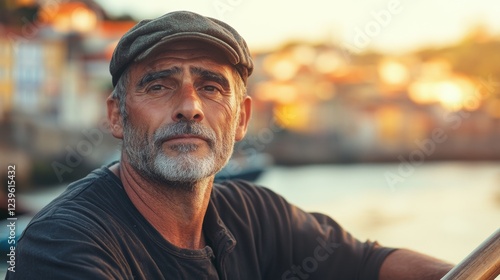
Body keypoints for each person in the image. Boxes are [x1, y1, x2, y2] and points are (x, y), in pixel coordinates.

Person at [8, 11, 454, 279]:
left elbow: (368, 266)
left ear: (241, 119)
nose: (189, 107)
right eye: (159, 86)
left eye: (211, 87)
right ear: (115, 116)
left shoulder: (257, 216)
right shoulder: (63, 244)